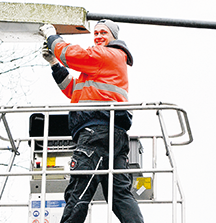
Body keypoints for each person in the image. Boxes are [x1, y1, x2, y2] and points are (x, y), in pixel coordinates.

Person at [39, 19, 144, 223]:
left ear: (114, 37)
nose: (98, 37)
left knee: (79, 191)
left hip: (95, 133)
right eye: (95, 33)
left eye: (103, 32)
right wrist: (54, 63)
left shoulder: (106, 55)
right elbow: (73, 89)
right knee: (120, 194)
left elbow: (72, 54)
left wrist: (52, 36)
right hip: (114, 134)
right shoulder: (101, 66)